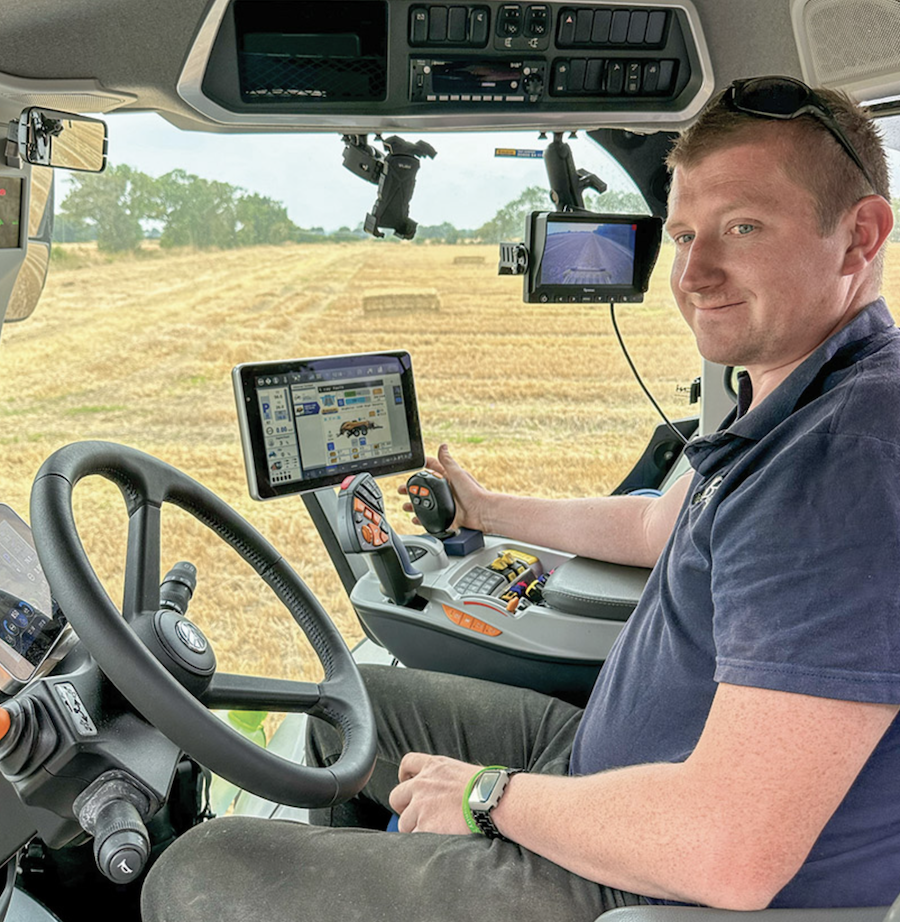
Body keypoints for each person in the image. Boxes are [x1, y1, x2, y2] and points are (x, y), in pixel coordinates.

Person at [141, 76, 899, 920]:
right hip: (610, 769)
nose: (693, 274)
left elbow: (731, 850)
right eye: (683, 234)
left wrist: (486, 799)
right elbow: (658, 522)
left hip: (645, 876)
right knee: (341, 709)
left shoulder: (848, 460)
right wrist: (485, 507)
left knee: (197, 872)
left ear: (858, 237)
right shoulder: (802, 397)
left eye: (743, 228)